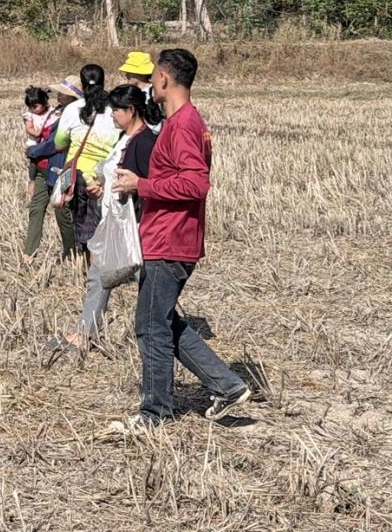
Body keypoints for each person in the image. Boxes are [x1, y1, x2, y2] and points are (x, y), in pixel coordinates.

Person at [110, 48, 250, 432]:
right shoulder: (181, 122)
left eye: (153, 76)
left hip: (170, 239)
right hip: (166, 236)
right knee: (162, 320)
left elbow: (195, 183)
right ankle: (227, 385)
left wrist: (144, 184)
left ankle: (154, 412)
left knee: (151, 327)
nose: (151, 83)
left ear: (164, 79)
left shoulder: (184, 124)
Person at [47, 84, 156, 355]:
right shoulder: (125, 138)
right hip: (115, 220)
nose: (112, 116)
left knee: (144, 278)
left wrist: (131, 190)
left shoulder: (144, 143)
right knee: (101, 274)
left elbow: (148, 184)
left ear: (131, 111)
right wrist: (101, 183)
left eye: (116, 110)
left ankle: (164, 329)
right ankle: (85, 333)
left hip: (133, 223)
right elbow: (117, 172)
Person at [52, 64, 120, 255]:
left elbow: (59, 143)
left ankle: (86, 262)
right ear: (103, 81)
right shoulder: (115, 108)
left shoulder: (73, 109)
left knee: (81, 218)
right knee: (104, 219)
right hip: (107, 174)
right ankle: (103, 260)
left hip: (78, 174)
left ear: (81, 85)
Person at [22, 78, 77, 261]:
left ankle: (71, 252)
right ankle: (29, 252)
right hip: (41, 167)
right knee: (36, 208)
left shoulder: (72, 115)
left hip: (59, 167)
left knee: (62, 213)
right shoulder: (56, 112)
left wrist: (32, 151)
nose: (58, 95)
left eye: (62, 93)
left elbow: (55, 144)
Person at [118, 51, 164, 132]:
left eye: (130, 72)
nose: (126, 75)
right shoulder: (129, 93)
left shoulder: (156, 94)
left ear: (141, 74)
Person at [22, 86, 54, 199]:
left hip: (48, 141)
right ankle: (32, 180)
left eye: (35, 106)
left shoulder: (52, 113)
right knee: (33, 161)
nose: (32, 109)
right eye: (30, 107)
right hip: (35, 141)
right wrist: (36, 133)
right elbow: (28, 128)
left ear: (44, 102)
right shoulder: (30, 115)